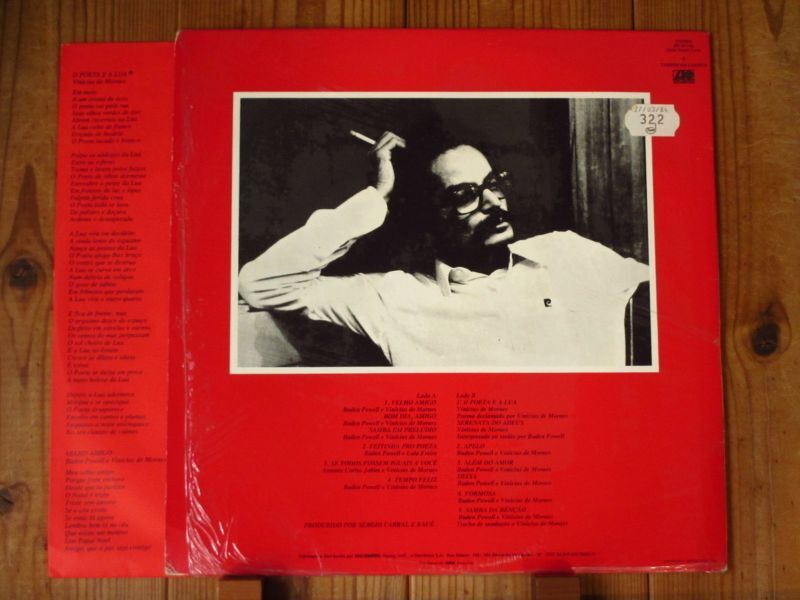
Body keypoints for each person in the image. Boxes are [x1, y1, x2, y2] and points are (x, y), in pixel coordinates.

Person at [238, 131, 649, 367]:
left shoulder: (566, 253)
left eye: (492, 184)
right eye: (465, 195)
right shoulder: (390, 297)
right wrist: (377, 195)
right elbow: (262, 285)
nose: (493, 202)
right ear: (426, 217)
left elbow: (668, 303)